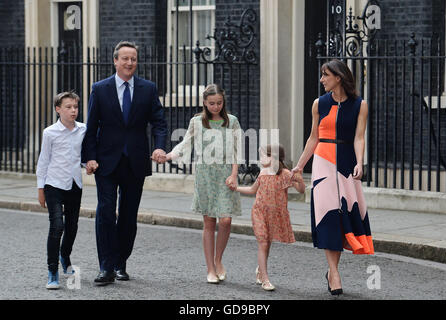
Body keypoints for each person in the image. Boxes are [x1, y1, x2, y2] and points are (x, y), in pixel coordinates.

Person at [82, 41, 168, 285]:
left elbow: (159, 122)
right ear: (115, 61)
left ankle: (121, 263)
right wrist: (89, 157)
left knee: (129, 216)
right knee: (106, 212)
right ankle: (106, 267)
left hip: (135, 162)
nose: (130, 63)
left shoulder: (147, 88)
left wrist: (160, 146)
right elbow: (92, 127)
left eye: (133, 59)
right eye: (125, 59)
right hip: (106, 162)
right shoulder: (100, 89)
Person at [292, 59, 374, 296]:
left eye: (325, 75)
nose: (321, 80)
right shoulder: (319, 103)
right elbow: (313, 138)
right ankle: (334, 272)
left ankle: (332, 270)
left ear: (338, 77)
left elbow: (359, 137)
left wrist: (360, 162)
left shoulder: (360, 105)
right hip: (323, 164)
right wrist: (299, 166)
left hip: (347, 163)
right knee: (328, 215)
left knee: (343, 216)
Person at [165, 84, 242, 284]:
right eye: (211, 103)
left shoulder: (232, 121)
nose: (216, 107)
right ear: (204, 103)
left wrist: (234, 175)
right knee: (209, 222)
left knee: (225, 220)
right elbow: (186, 143)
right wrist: (170, 155)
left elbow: (237, 151)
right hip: (205, 175)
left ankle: (218, 260)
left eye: (219, 103)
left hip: (226, 175)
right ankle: (210, 268)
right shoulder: (197, 122)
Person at [230, 145, 305, 291]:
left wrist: (300, 180)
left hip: (274, 214)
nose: (260, 159)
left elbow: (301, 190)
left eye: (264, 156)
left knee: (267, 243)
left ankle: (260, 270)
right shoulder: (262, 173)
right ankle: (265, 279)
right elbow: (252, 190)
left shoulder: (285, 173)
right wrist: (236, 188)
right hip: (259, 212)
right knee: (263, 243)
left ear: (274, 157)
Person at [36, 92, 86, 290]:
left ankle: (64, 255)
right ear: (58, 109)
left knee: (72, 226)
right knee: (57, 226)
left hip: (74, 184)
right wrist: (41, 188)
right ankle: (52, 271)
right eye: (68, 107)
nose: (73, 110)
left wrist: (88, 163)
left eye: (75, 106)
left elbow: (83, 155)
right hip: (53, 184)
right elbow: (44, 161)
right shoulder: (50, 132)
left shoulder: (83, 129)